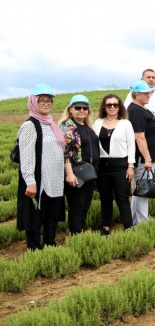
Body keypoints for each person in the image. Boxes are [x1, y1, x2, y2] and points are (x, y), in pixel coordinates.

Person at [17, 84, 66, 249]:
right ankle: (34, 250)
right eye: (42, 100)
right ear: (33, 102)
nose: (46, 103)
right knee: (36, 217)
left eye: (49, 100)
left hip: (55, 179)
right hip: (39, 180)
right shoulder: (30, 125)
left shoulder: (52, 124)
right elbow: (27, 156)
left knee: (51, 217)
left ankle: (50, 245)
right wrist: (30, 181)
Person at [93, 94, 135, 235]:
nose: (112, 107)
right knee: (105, 198)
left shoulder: (125, 123)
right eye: (109, 105)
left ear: (119, 107)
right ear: (104, 107)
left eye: (115, 105)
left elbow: (131, 146)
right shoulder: (98, 123)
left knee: (122, 198)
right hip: (103, 166)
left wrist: (130, 166)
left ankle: (128, 227)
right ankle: (105, 227)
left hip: (120, 165)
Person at [59, 95, 100, 235]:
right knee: (77, 205)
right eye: (78, 108)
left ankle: (79, 232)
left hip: (88, 172)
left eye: (85, 108)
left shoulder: (87, 126)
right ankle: (76, 235)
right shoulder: (68, 126)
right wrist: (69, 174)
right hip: (76, 172)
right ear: (70, 109)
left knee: (85, 205)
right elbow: (65, 151)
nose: (82, 110)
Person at [127, 80, 155, 225]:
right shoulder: (136, 111)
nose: (149, 94)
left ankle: (134, 221)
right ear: (137, 94)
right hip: (143, 158)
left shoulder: (142, 109)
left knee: (141, 189)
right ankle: (142, 223)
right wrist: (147, 158)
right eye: (146, 93)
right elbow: (139, 137)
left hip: (148, 157)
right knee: (143, 189)